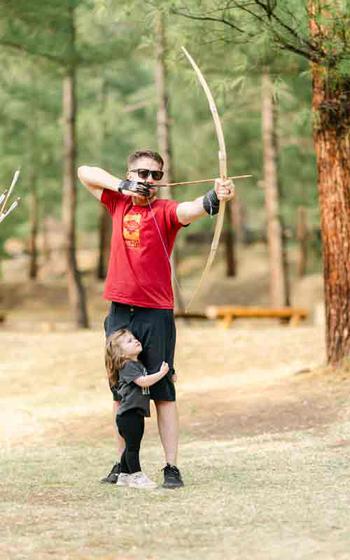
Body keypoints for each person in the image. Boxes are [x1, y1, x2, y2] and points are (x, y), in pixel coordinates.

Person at [78, 149, 234, 488]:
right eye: (142, 173)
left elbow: (192, 208)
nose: (148, 180)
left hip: (156, 313)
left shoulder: (165, 211)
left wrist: (214, 195)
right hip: (120, 311)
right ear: (130, 172)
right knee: (122, 392)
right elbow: (85, 170)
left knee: (163, 391)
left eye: (155, 176)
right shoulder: (116, 203)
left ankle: (171, 467)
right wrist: (123, 186)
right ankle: (123, 464)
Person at [105, 328, 169, 489]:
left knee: (130, 447)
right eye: (129, 341)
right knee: (133, 448)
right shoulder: (127, 365)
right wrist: (162, 373)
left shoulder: (135, 363)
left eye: (133, 338)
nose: (135, 340)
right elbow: (143, 382)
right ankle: (137, 476)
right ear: (121, 353)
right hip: (129, 414)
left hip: (134, 413)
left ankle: (124, 476)